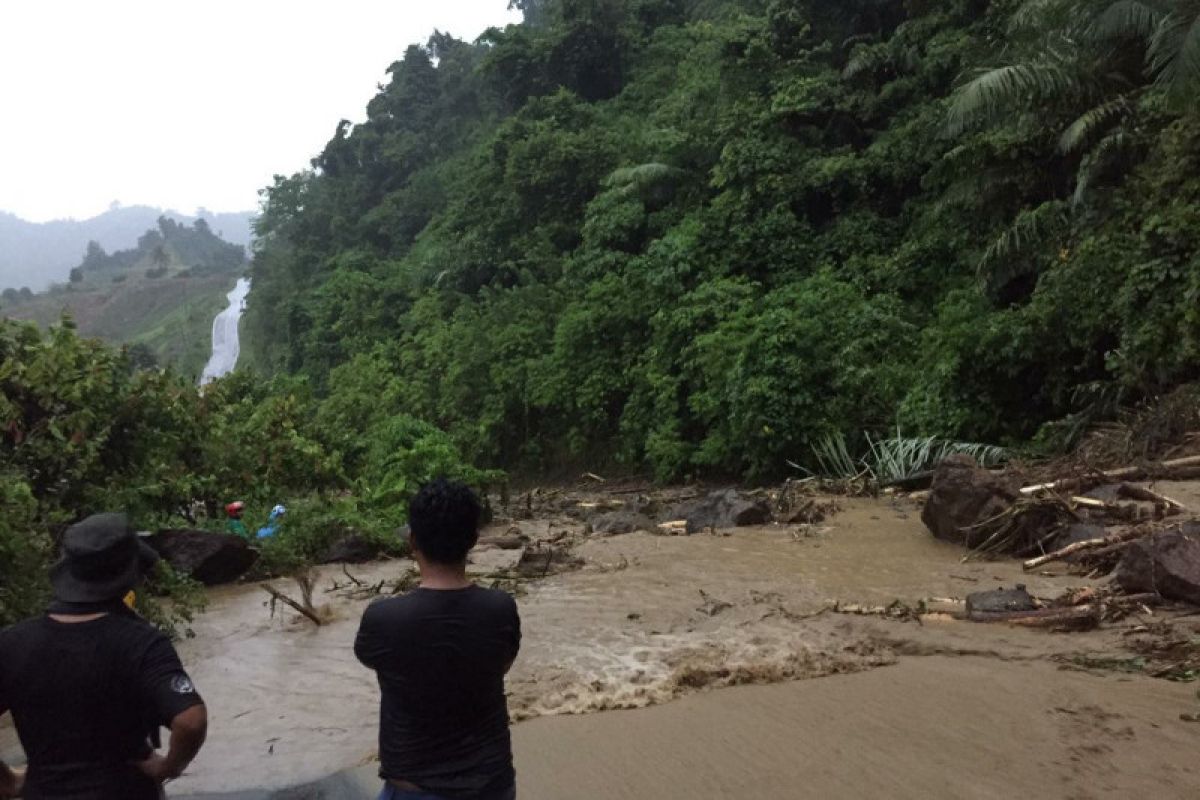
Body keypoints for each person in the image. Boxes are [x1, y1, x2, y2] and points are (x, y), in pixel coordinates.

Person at [0, 513, 208, 800]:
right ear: (130, 578)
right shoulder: (141, 643)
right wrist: (169, 766)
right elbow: (191, 720)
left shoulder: (12, 643)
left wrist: (9, 782)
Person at [355, 479, 520, 800]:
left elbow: (372, 660)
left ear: (413, 541)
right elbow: (502, 665)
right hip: (492, 787)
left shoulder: (383, 619)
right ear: (473, 540)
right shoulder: (500, 609)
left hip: (415, 790)